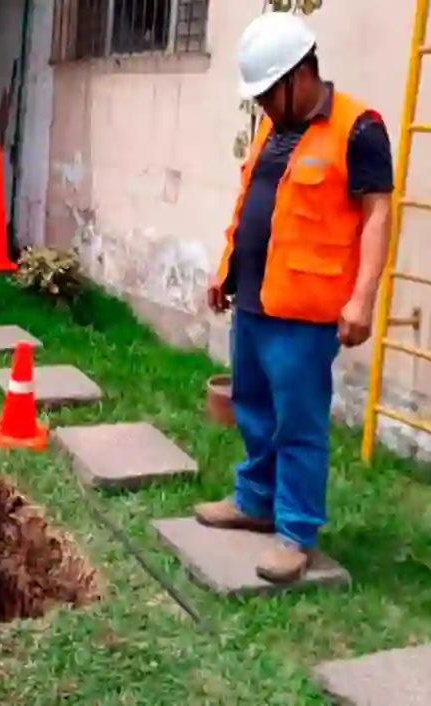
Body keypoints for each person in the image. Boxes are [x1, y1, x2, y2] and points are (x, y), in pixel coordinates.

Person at [199, 12, 393, 583]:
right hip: (256, 301)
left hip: (306, 314)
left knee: (298, 423)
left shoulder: (359, 127)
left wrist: (362, 300)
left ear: (298, 76)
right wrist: (226, 268)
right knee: (253, 408)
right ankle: (254, 501)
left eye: (266, 92)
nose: (260, 104)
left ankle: (297, 531)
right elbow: (255, 202)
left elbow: (378, 215)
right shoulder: (272, 128)